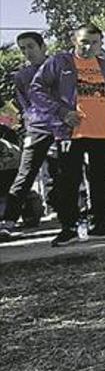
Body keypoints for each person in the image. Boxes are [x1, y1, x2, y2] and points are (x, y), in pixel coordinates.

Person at [28, 24, 105, 246]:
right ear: (74, 40)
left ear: (101, 44)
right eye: (84, 42)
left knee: (100, 180)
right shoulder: (60, 62)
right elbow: (37, 89)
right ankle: (68, 227)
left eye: (94, 42)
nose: (89, 47)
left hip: (102, 131)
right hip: (70, 132)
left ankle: (100, 224)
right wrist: (62, 113)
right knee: (68, 181)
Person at [0, 32, 54, 241]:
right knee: (25, 172)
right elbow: (24, 105)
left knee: (66, 173)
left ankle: (74, 218)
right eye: (22, 49)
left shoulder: (58, 67)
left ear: (43, 47)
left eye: (31, 46)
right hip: (37, 128)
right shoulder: (21, 76)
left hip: (63, 126)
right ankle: (9, 221)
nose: (27, 52)